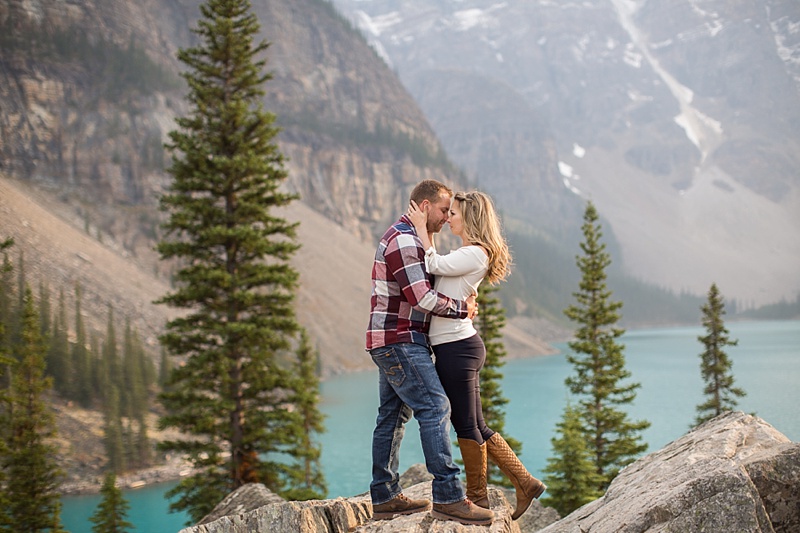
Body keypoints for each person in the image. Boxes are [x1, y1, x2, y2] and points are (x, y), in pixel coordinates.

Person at [407, 190, 547, 520]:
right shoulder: (470, 253)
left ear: (470, 218)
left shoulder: (475, 253)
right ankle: (524, 483)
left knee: (466, 425)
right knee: (474, 424)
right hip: (456, 346)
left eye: (453, 213)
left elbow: (432, 263)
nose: (449, 217)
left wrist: (421, 229)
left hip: (458, 349)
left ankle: (477, 498)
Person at [367, 180, 494, 526]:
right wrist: (462, 309)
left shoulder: (412, 237)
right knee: (435, 406)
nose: (446, 217)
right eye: (443, 210)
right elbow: (421, 298)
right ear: (425, 207)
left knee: (392, 416)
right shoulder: (404, 241)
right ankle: (450, 497)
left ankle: (385, 496)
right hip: (400, 340)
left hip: (396, 339)